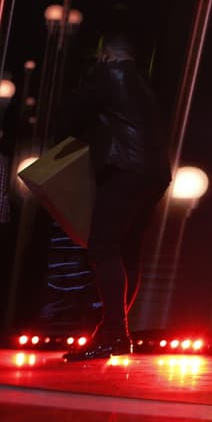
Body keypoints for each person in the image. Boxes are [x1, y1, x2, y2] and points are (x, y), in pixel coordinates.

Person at [59, 31, 171, 361]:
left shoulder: (109, 74)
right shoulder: (143, 84)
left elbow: (71, 115)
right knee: (128, 249)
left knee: (103, 246)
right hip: (154, 174)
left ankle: (114, 332)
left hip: (125, 169)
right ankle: (116, 331)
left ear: (106, 55)